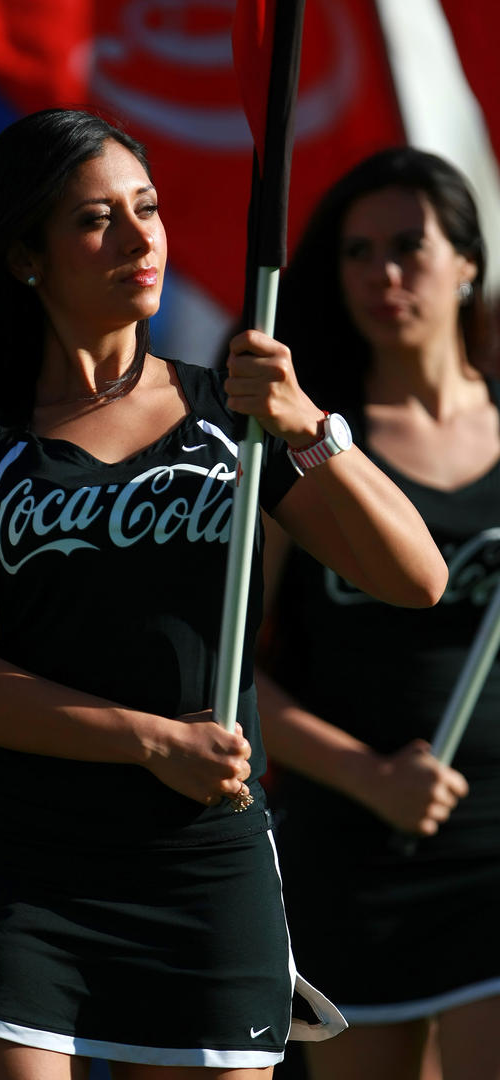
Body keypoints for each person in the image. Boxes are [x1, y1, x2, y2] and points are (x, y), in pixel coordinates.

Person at [0, 110, 448, 1080]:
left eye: (147, 209)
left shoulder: (238, 422)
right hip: (18, 870)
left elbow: (416, 578)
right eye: (96, 219)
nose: (141, 238)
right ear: (26, 256)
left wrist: (309, 423)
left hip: (203, 864)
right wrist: (152, 738)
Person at [255, 147, 500, 1080]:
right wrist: (363, 772)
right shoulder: (305, 447)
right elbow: (225, 669)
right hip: (349, 857)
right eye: (358, 252)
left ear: (470, 260)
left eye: (409, 246)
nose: (382, 274)